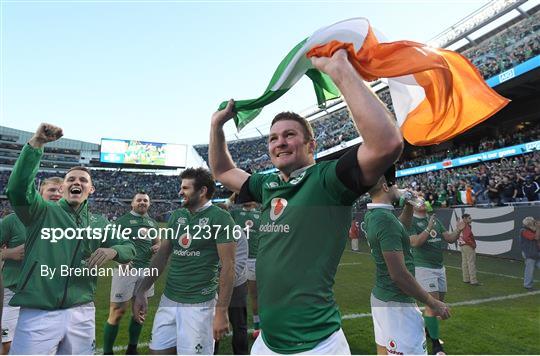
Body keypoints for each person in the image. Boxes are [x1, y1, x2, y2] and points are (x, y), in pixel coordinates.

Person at [209, 49, 403, 354]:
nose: (279, 142)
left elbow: (387, 144)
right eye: (273, 138)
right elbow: (221, 170)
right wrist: (216, 126)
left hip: (317, 346)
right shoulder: (267, 184)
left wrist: (339, 70)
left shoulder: (328, 180)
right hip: (267, 343)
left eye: (289, 135)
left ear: (311, 145)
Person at [5, 123, 136, 355]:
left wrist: (112, 251)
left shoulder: (100, 223)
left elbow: (129, 247)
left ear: (91, 190)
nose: (77, 182)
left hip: (82, 312)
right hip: (38, 313)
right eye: (71, 179)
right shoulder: (42, 212)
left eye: (83, 180)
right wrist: (36, 144)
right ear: (63, 187)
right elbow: (17, 189)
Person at [132, 168, 236, 355]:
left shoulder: (221, 218)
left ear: (202, 191)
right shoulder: (178, 216)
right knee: (157, 352)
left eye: (185, 188)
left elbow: (228, 268)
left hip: (200, 305)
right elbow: (161, 256)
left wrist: (221, 312)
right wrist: (141, 290)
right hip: (169, 300)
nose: (180, 192)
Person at [364, 172, 450, 355]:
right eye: (394, 185)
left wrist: (409, 205)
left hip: (383, 298)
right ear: (386, 187)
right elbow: (399, 275)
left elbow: (399, 229)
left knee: (384, 351)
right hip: (397, 305)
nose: (398, 188)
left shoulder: (376, 214)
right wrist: (432, 302)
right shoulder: (384, 219)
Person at [0, 176, 63, 354]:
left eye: (60, 190)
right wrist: (8, 253)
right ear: (39, 193)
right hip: (14, 293)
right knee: (7, 345)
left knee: (45, 347)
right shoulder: (13, 220)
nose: (57, 194)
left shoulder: (69, 223)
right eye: (52, 190)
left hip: (49, 297)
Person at [103, 192, 160, 355]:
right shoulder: (121, 222)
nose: (142, 202)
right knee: (117, 312)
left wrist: (158, 246)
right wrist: (121, 259)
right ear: (132, 203)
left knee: (140, 311)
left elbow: (157, 241)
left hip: (147, 271)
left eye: (145, 200)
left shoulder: (152, 223)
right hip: (125, 271)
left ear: (149, 204)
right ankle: (107, 352)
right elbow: (110, 243)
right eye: (139, 200)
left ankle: (132, 349)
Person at [407, 200, 465, 355]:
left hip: (440, 268)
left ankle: (428, 329)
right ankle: (436, 347)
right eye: (417, 199)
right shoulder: (410, 221)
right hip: (423, 268)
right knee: (433, 306)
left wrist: (458, 230)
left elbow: (450, 238)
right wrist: (428, 227)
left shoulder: (435, 220)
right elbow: (416, 243)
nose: (421, 201)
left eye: (422, 199)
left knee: (439, 304)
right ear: (413, 205)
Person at [214, 200, 249, 355]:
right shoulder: (207, 231)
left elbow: (239, 263)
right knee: (211, 322)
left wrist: (225, 284)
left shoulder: (237, 232)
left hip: (236, 285)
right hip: (212, 286)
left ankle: (240, 352)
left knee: (239, 323)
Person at [229, 198, 261, 339]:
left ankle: (257, 326)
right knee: (233, 294)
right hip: (237, 259)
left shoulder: (261, 214)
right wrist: (233, 196)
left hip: (254, 258)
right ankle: (224, 319)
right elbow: (222, 206)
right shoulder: (235, 213)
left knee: (254, 295)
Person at [458, 213, 481, 286]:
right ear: (465, 219)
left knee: (464, 262)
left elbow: (461, 236)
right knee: (471, 263)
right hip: (468, 245)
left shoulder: (461, 225)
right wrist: (473, 244)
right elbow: (466, 237)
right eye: (469, 218)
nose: (471, 219)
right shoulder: (466, 226)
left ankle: (466, 279)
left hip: (462, 245)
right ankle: (473, 280)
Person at [519, 217, 540, 291]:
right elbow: (536, 237)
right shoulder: (523, 231)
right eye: (532, 222)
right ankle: (527, 285)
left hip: (536, 253)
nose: (533, 222)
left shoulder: (533, 230)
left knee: (530, 270)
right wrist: (538, 227)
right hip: (529, 254)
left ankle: (527, 285)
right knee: (529, 270)